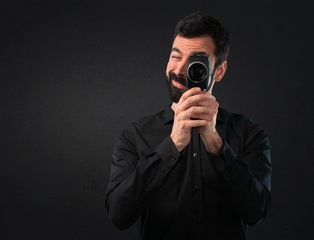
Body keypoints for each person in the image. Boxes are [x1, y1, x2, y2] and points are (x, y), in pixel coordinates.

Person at [105, 12, 272, 240]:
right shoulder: (134, 136)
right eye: (176, 56)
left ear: (219, 71)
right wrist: (171, 146)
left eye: (196, 60)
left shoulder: (249, 132)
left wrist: (215, 143)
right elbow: (118, 215)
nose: (180, 69)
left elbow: (257, 212)